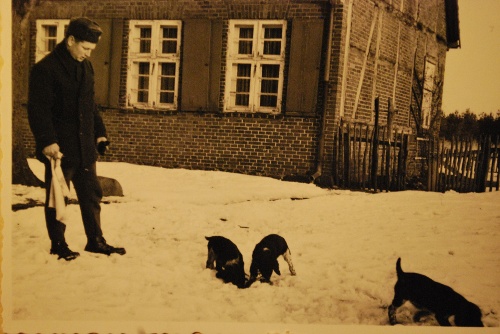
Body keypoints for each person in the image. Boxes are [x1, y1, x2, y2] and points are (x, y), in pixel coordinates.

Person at [27, 17, 125, 261]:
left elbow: (89, 105)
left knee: (91, 194)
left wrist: (100, 133)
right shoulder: (45, 69)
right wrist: (48, 141)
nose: (88, 54)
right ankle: (58, 244)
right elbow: (39, 110)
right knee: (57, 197)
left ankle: (96, 240)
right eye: (85, 48)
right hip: (59, 150)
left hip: (85, 147)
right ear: (70, 40)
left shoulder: (85, 67)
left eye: (91, 50)